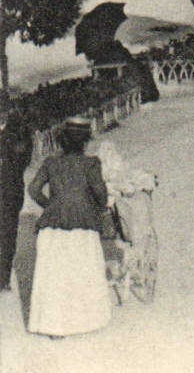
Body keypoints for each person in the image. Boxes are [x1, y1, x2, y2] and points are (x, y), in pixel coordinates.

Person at [25, 119, 113, 336]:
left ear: (62, 141)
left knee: (55, 275)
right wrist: (96, 206)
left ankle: (53, 326)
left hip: (52, 226)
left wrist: (51, 206)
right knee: (81, 272)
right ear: (84, 142)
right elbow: (101, 195)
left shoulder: (51, 163)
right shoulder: (91, 164)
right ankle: (85, 323)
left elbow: (33, 189)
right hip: (82, 225)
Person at [0, 115, 33, 293]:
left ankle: (3, 278)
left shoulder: (18, 130)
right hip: (9, 188)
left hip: (9, 190)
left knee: (7, 233)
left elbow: (25, 154)